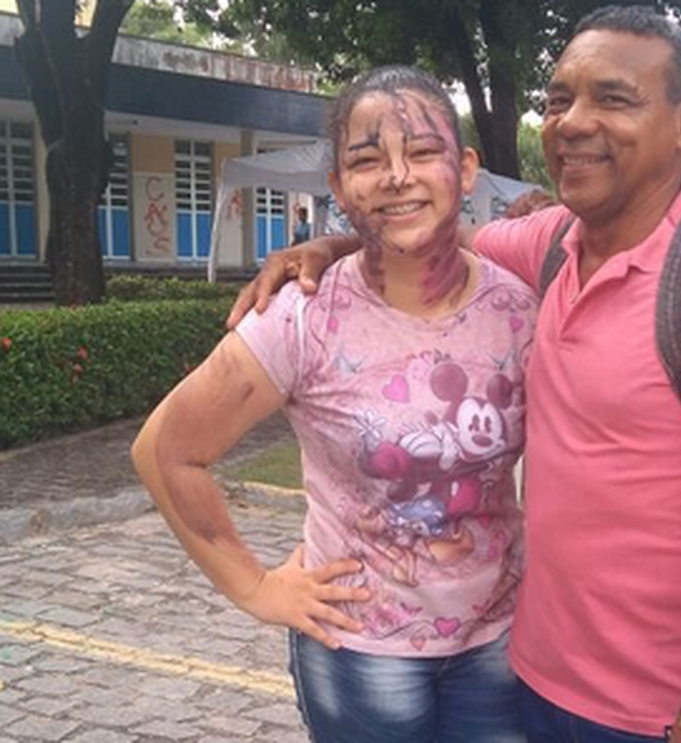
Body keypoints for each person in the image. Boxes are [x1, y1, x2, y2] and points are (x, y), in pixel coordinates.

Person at [229, 6, 681, 742]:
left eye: (614, 98)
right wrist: (326, 244)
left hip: (659, 715)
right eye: (558, 99)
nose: (574, 121)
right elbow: (428, 230)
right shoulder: (553, 244)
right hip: (532, 680)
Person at [133, 65, 538, 743]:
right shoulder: (302, 316)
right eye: (368, 160)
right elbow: (167, 451)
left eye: (424, 152)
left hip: (499, 639)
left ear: (466, 169)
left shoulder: (522, 305)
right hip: (360, 650)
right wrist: (258, 588)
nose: (398, 176)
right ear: (339, 188)